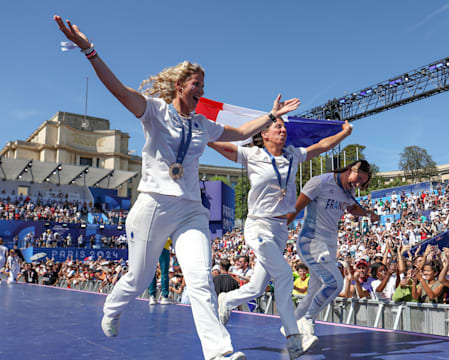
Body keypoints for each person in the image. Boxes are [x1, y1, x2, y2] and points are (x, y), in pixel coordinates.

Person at [54, 15, 301, 360]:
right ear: (180, 85)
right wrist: (89, 50)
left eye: (204, 84)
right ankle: (113, 306)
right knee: (139, 278)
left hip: (189, 210)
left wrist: (271, 116)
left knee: (200, 279)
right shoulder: (153, 111)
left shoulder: (203, 124)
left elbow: (243, 132)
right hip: (153, 206)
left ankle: (219, 352)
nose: (202, 89)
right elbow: (119, 90)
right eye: (197, 83)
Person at [211, 114, 352, 359]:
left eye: (284, 127)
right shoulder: (252, 155)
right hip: (258, 227)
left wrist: (344, 133)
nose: (283, 131)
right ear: (264, 134)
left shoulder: (292, 155)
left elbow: (321, 146)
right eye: (278, 127)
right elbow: (222, 145)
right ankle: (293, 337)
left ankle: (226, 299)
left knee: (257, 287)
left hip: (279, 229)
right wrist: (199, 133)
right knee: (285, 274)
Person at [285, 160, 377, 338]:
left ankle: (290, 327)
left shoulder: (348, 191)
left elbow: (353, 208)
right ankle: (308, 319)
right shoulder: (320, 182)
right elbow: (296, 209)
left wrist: (367, 213)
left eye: (361, 183)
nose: (357, 184)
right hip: (311, 241)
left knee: (315, 289)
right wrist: (279, 232)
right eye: (358, 178)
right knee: (334, 283)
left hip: (329, 244)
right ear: (351, 169)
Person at [149, 238, 172, 305]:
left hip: (152, 246)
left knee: (152, 272)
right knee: (164, 272)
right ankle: (164, 297)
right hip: (164, 245)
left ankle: (152, 296)